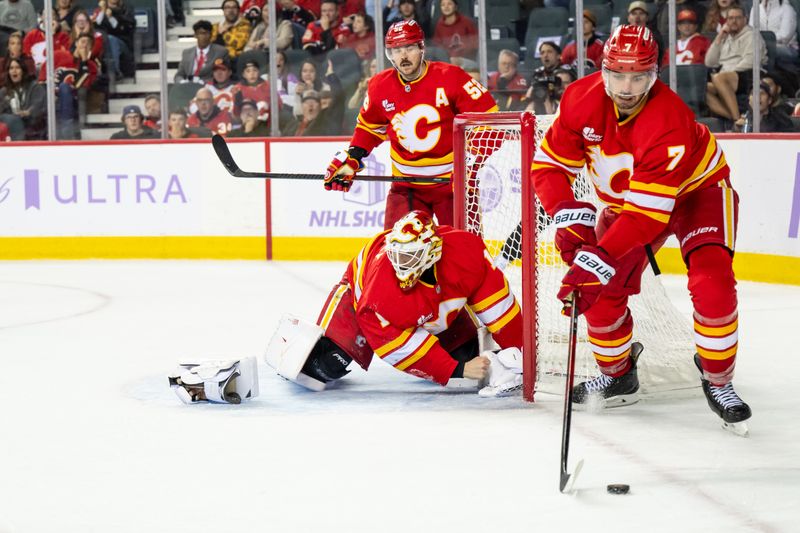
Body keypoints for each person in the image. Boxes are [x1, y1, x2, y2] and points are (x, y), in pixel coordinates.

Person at [531, 25, 751, 430]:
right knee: (602, 294)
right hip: (628, 205)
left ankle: (717, 377)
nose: (627, 87)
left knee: (711, 281)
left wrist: (595, 259)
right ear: (603, 70)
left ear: (655, 76)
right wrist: (569, 217)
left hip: (698, 193)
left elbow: (649, 216)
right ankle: (618, 376)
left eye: (638, 76)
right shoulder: (580, 98)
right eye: (617, 74)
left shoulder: (669, 119)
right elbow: (549, 167)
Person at [264, 210, 525, 397]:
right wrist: (455, 369)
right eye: (398, 255)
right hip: (361, 296)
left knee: (464, 360)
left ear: (432, 253)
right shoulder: (381, 292)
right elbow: (392, 345)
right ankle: (298, 342)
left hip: (438, 307)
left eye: (410, 256)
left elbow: (500, 308)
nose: (401, 264)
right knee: (325, 366)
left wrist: (522, 353)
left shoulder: (466, 255)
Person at [323, 20, 497, 229]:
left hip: (452, 185)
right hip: (406, 187)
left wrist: (469, 164)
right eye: (396, 50)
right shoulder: (380, 85)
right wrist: (352, 157)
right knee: (397, 251)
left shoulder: (451, 77)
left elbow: (490, 121)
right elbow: (369, 127)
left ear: (421, 48)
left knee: (463, 250)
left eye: (409, 47)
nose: (403, 56)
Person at [705, 6, 767, 123]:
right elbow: (709, 62)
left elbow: (750, 61)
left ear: (745, 19)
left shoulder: (752, 35)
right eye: (730, 18)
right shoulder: (725, 37)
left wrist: (727, 74)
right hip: (725, 78)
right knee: (704, 89)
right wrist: (719, 37)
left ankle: (736, 118)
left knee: (718, 77)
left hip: (747, 76)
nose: (734, 21)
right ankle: (736, 120)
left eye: (738, 18)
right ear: (726, 21)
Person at [0, 57, 46, 140]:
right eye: (11, 68)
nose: (14, 71)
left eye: (17, 68)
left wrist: (28, 112)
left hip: (32, 128)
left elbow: (39, 105)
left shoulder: (35, 87)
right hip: (12, 127)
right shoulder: (4, 91)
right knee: (13, 120)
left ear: (23, 71)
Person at [749, 0, 799, 73]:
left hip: (787, 47)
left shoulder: (787, 9)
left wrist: (765, 42)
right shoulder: (755, 8)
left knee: (764, 50)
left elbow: (785, 36)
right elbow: (751, 32)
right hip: (762, 46)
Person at [91, 0, 135, 78]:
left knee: (111, 39)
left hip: (123, 44)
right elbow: (96, 25)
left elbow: (125, 28)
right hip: (104, 43)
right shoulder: (100, 11)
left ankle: (114, 71)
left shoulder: (126, 9)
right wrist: (102, 11)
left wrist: (110, 17)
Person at [212, 0, 252, 64]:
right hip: (214, 61)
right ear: (223, 10)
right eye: (227, 7)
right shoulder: (215, 27)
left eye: (234, 7)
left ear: (238, 10)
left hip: (234, 61)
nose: (231, 10)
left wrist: (224, 33)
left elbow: (238, 44)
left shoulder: (245, 25)